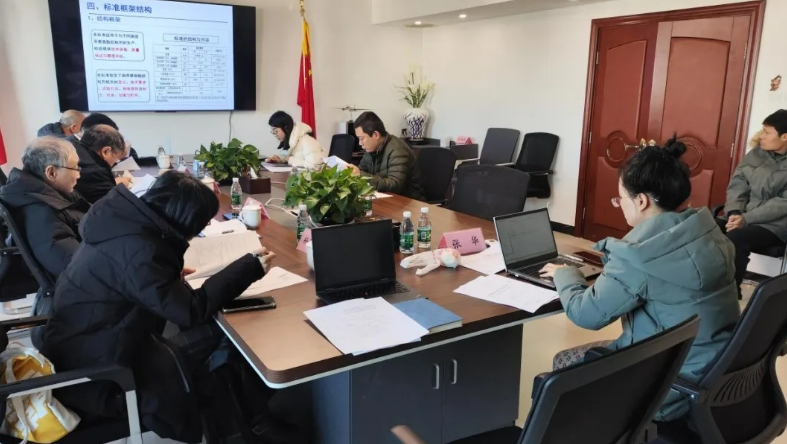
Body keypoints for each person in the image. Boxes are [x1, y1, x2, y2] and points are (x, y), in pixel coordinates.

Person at [40, 171, 277, 443]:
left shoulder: (119, 224)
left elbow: (125, 276)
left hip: (81, 351)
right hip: (102, 377)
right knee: (231, 340)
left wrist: (164, 276)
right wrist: (248, 269)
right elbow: (190, 311)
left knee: (226, 343)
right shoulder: (141, 251)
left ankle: (244, 422)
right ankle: (244, 427)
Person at [539, 137, 740, 422]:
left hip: (665, 385)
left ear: (641, 200)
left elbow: (586, 314)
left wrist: (566, 274)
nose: (619, 205)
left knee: (558, 369)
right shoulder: (710, 233)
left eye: (620, 198)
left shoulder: (638, 255)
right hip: (718, 370)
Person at [0, 137, 89, 282]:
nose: (79, 175)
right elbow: (76, 268)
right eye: (75, 168)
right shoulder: (43, 213)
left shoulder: (50, 194)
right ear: (51, 172)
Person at [717, 109, 787, 294]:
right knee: (706, 228)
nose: (762, 136)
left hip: (775, 225)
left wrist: (746, 219)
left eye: (767, 132)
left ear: (784, 137)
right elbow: (738, 185)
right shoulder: (756, 154)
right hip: (743, 215)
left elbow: (782, 204)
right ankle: (705, 289)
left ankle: (730, 295)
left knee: (736, 238)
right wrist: (734, 212)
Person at [346, 111, 426, 200]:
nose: (360, 143)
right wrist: (352, 173)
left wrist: (360, 175)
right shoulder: (370, 150)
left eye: (361, 138)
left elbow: (394, 185)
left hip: (409, 202)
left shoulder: (398, 150)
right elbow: (361, 170)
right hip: (386, 198)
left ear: (376, 135)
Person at [73, 124, 132, 203]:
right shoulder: (95, 171)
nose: (113, 164)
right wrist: (118, 186)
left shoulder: (74, 146)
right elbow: (111, 204)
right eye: (116, 160)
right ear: (106, 151)